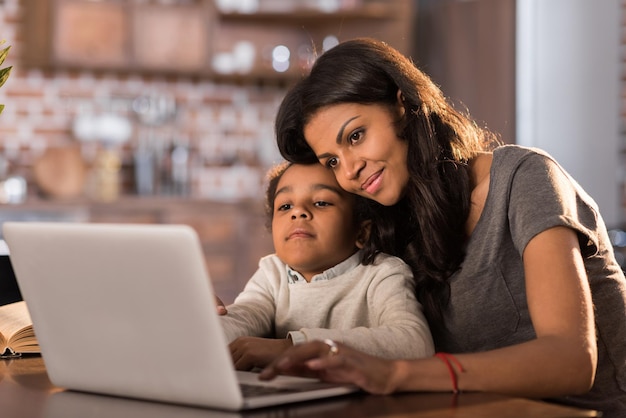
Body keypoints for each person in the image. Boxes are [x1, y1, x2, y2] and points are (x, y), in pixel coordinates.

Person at [257, 37, 626, 417]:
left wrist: (396, 374)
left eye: (355, 136)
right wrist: (239, 326)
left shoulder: (524, 178)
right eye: (332, 161)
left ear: (402, 105)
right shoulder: (391, 221)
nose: (349, 169)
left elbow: (572, 360)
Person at [218, 160, 434, 371]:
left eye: (321, 202)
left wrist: (292, 347)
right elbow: (246, 315)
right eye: (285, 206)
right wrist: (211, 325)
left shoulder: (382, 274)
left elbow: (416, 343)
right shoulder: (272, 273)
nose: (298, 212)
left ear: (361, 231)